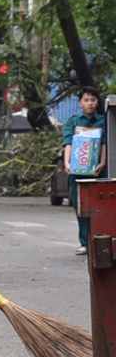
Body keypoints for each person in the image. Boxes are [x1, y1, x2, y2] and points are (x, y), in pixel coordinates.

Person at [62, 86, 108, 255]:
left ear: (97, 102)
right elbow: (68, 143)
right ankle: (85, 242)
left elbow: (104, 143)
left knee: (100, 207)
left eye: (93, 100)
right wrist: (67, 163)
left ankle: (99, 241)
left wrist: (102, 162)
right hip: (77, 172)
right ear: (80, 103)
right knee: (81, 206)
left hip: (98, 171)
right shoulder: (73, 121)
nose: (90, 103)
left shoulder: (104, 121)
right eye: (86, 100)